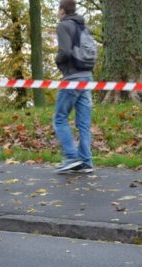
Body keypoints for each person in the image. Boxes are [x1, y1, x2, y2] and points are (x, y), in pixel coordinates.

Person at [54, 0, 93, 174]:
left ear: (62, 10)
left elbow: (65, 52)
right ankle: (86, 162)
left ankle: (71, 157)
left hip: (72, 78)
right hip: (87, 76)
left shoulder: (63, 26)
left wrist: (58, 62)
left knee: (60, 118)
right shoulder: (84, 27)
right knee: (83, 123)